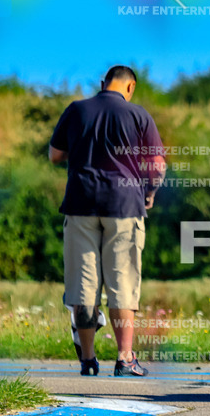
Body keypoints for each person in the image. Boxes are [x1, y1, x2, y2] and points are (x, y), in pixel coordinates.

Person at [48, 65, 165, 377]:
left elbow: (55, 155)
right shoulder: (139, 115)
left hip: (81, 204)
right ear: (130, 88)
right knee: (123, 284)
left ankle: (88, 361)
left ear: (103, 84)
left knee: (83, 287)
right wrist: (149, 193)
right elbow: (156, 165)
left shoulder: (76, 110)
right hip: (125, 206)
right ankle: (125, 359)